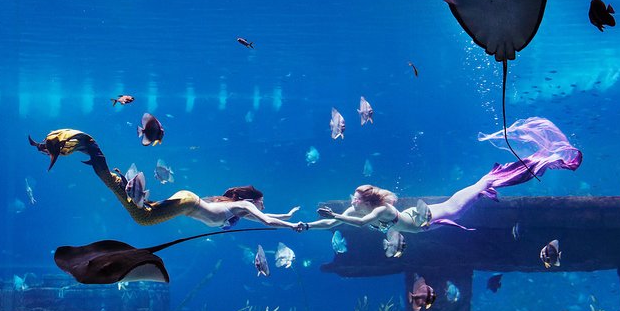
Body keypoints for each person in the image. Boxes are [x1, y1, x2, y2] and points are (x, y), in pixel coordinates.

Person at [299, 117, 582, 234]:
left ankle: (532, 165)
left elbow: (359, 223)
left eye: (355, 197)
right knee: (477, 187)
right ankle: (493, 180)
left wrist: (335, 214)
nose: (352, 200)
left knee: (479, 187)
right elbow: (333, 223)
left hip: (434, 215)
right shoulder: (359, 210)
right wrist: (304, 226)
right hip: (421, 219)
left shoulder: (380, 210)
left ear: (366, 200)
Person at [28, 129, 302, 231]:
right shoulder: (246, 206)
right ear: (252, 199)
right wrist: (292, 226)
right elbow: (266, 220)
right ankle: (89, 146)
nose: (262, 206)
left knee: (143, 212)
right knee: (144, 217)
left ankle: (106, 167)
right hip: (188, 202)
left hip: (188, 200)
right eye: (261, 202)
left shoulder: (243, 210)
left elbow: (265, 219)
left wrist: (288, 216)